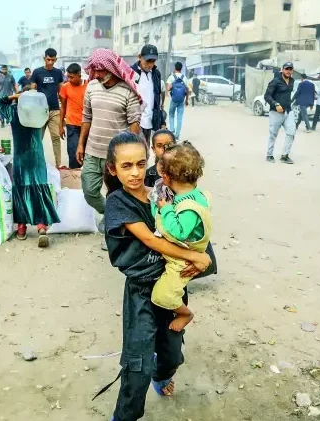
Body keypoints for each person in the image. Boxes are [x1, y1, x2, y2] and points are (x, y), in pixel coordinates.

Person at [101, 131, 211, 421]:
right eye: (126, 166)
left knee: (172, 353)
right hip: (141, 291)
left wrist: (204, 256)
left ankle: (162, 375)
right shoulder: (118, 202)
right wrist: (194, 257)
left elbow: (189, 230)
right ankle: (125, 416)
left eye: (140, 163)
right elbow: (152, 241)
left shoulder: (163, 192)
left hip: (171, 286)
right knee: (137, 365)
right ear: (113, 169)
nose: (136, 173)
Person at [78, 48, 142, 249]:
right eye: (94, 70)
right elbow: (86, 117)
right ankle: (111, 215)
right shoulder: (91, 87)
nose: (95, 74)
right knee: (89, 189)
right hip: (92, 149)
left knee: (114, 193)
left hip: (115, 156)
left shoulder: (128, 91)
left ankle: (113, 232)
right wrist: (80, 143)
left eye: (99, 70)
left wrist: (132, 152)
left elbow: (134, 124)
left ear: (111, 68)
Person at [150, 142, 212, 332]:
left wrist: (165, 209)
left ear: (167, 177)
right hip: (178, 253)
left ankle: (185, 313)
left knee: (162, 295)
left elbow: (179, 231)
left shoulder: (189, 207)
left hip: (182, 260)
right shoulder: (188, 194)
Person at [0, 93, 60, 247]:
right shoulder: (40, 112)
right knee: (39, 189)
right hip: (37, 158)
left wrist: (15, 96)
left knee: (21, 189)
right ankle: (41, 227)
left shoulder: (13, 111)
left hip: (20, 158)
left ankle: (22, 228)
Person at [30, 48, 65, 167]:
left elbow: (61, 93)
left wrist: (63, 111)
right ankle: (36, 162)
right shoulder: (37, 72)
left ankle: (58, 164)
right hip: (40, 111)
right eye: (48, 59)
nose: (50, 62)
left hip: (54, 110)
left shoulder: (58, 73)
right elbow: (32, 91)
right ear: (44, 58)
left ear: (56, 59)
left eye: (53, 60)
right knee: (38, 138)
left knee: (56, 137)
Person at [264, 62, 296, 164]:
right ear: (282, 70)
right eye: (287, 69)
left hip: (288, 111)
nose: (288, 71)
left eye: (290, 69)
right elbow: (267, 96)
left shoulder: (292, 81)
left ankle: (285, 156)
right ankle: (269, 155)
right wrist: (275, 104)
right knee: (273, 134)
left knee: (291, 132)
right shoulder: (275, 81)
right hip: (276, 112)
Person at [132, 45, 165, 142]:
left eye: (153, 61)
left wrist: (162, 121)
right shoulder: (131, 72)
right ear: (139, 57)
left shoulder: (156, 74)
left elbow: (157, 98)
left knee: (146, 152)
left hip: (150, 121)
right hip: (135, 121)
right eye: (147, 61)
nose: (150, 64)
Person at [58, 63, 87, 169]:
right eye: (68, 77)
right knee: (73, 153)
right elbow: (63, 107)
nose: (69, 79)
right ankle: (73, 180)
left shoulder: (88, 86)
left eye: (72, 77)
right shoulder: (65, 88)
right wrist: (60, 126)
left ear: (79, 74)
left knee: (86, 154)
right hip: (72, 125)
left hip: (86, 125)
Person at [165, 62, 189, 139]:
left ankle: (172, 130)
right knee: (179, 117)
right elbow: (187, 90)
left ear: (175, 68)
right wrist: (186, 100)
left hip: (174, 99)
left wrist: (172, 86)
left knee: (171, 114)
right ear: (181, 68)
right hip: (181, 100)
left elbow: (168, 89)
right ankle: (177, 135)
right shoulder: (184, 78)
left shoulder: (171, 77)